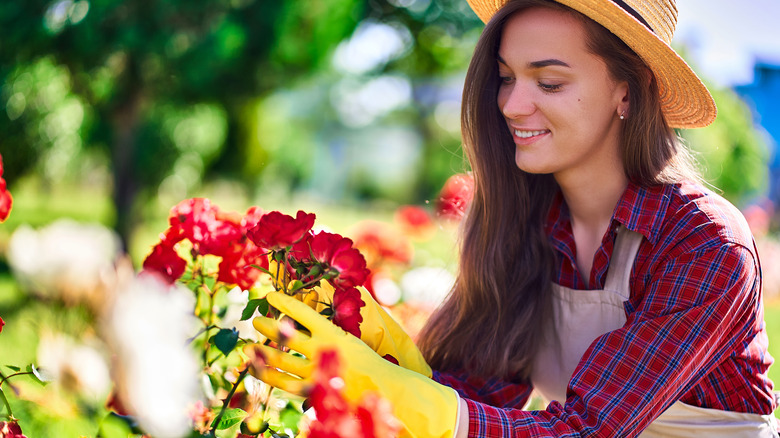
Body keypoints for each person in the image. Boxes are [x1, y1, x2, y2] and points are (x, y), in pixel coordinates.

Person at [249, 0, 780, 436]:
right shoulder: (529, 219)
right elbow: (483, 403)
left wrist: (401, 394)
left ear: (628, 89)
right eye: (505, 78)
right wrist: (395, 361)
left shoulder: (703, 241)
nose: (511, 105)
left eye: (548, 83)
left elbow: (586, 430)